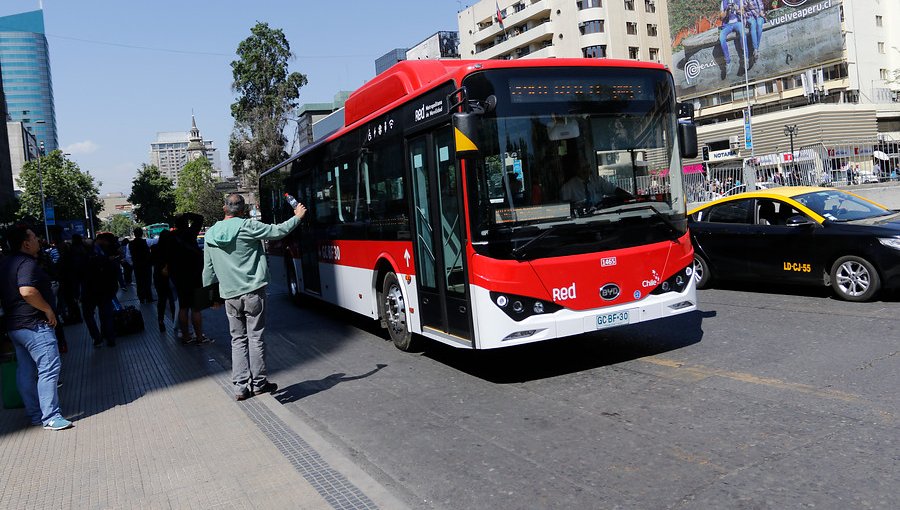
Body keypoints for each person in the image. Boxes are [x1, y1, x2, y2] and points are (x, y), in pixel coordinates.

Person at [202, 193, 306, 401]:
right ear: (243, 210)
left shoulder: (211, 233)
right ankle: (259, 383)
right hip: (252, 292)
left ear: (224, 209)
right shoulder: (248, 226)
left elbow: (208, 270)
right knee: (256, 337)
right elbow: (278, 231)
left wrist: (212, 298)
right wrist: (298, 216)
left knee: (237, 339)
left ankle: (240, 387)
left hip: (229, 294)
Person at [0, 226, 73, 430]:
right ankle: (50, 416)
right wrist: (47, 309)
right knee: (49, 368)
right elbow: (27, 290)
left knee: (26, 370)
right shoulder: (26, 263)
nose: (38, 240)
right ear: (25, 243)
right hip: (34, 325)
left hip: (15, 326)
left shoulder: (5, 263)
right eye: (33, 237)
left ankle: (36, 414)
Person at [169, 213, 211, 344]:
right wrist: (187, 214)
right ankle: (199, 337)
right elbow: (199, 218)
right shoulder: (190, 233)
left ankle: (186, 336)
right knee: (196, 307)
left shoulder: (171, 237)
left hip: (178, 275)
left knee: (183, 306)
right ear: (186, 223)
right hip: (194, 273)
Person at [81, 232, 120, 347]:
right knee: (106, 314)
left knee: (89, 314)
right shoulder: (109, 252)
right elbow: (115, 270)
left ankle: (98, 337)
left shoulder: (88, 251)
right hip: (105, 288)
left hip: (90, 289)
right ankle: (109, 337)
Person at [151, 229, 176, 333]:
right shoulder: (172, 248)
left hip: (158, 276)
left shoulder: (154, 248)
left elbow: (152, 261)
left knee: (161, 300)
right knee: (172, 300)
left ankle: (160, 321)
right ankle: (175, 321)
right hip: (170, 276)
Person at [128, 227, 153, 303]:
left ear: (134, 234)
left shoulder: (130, 244)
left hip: (137, 266)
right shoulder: (147, 242)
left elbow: (128, 256)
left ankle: (141, 298)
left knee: (139, 282)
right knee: (147, 282)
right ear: (142, 234)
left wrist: (132, 264)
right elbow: (157, 241)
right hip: (146, 265)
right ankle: (149, 298)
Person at [719, 0, 746, 67]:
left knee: (743, 34)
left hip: (737, 22)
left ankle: (745, 57)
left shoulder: (739, 0)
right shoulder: (724, 2)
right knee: (721, 37)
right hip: (727, 25)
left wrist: (737, 10)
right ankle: (728, 61)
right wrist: (726, 11)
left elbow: (743, 12)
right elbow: (721, 17)